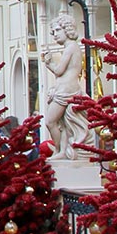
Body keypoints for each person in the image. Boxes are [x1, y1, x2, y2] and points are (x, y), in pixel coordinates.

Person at [40, 12, 90, 160]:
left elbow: (59, 70)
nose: (54, 35)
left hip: (66, 90)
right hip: (65, 88)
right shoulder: (71, 47)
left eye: (57, 30)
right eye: (53, 32)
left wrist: (49, 63)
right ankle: (61, 151)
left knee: (50, 121)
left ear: (67, 29)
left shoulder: (71, 47)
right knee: (64, 124)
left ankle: (59, 150)